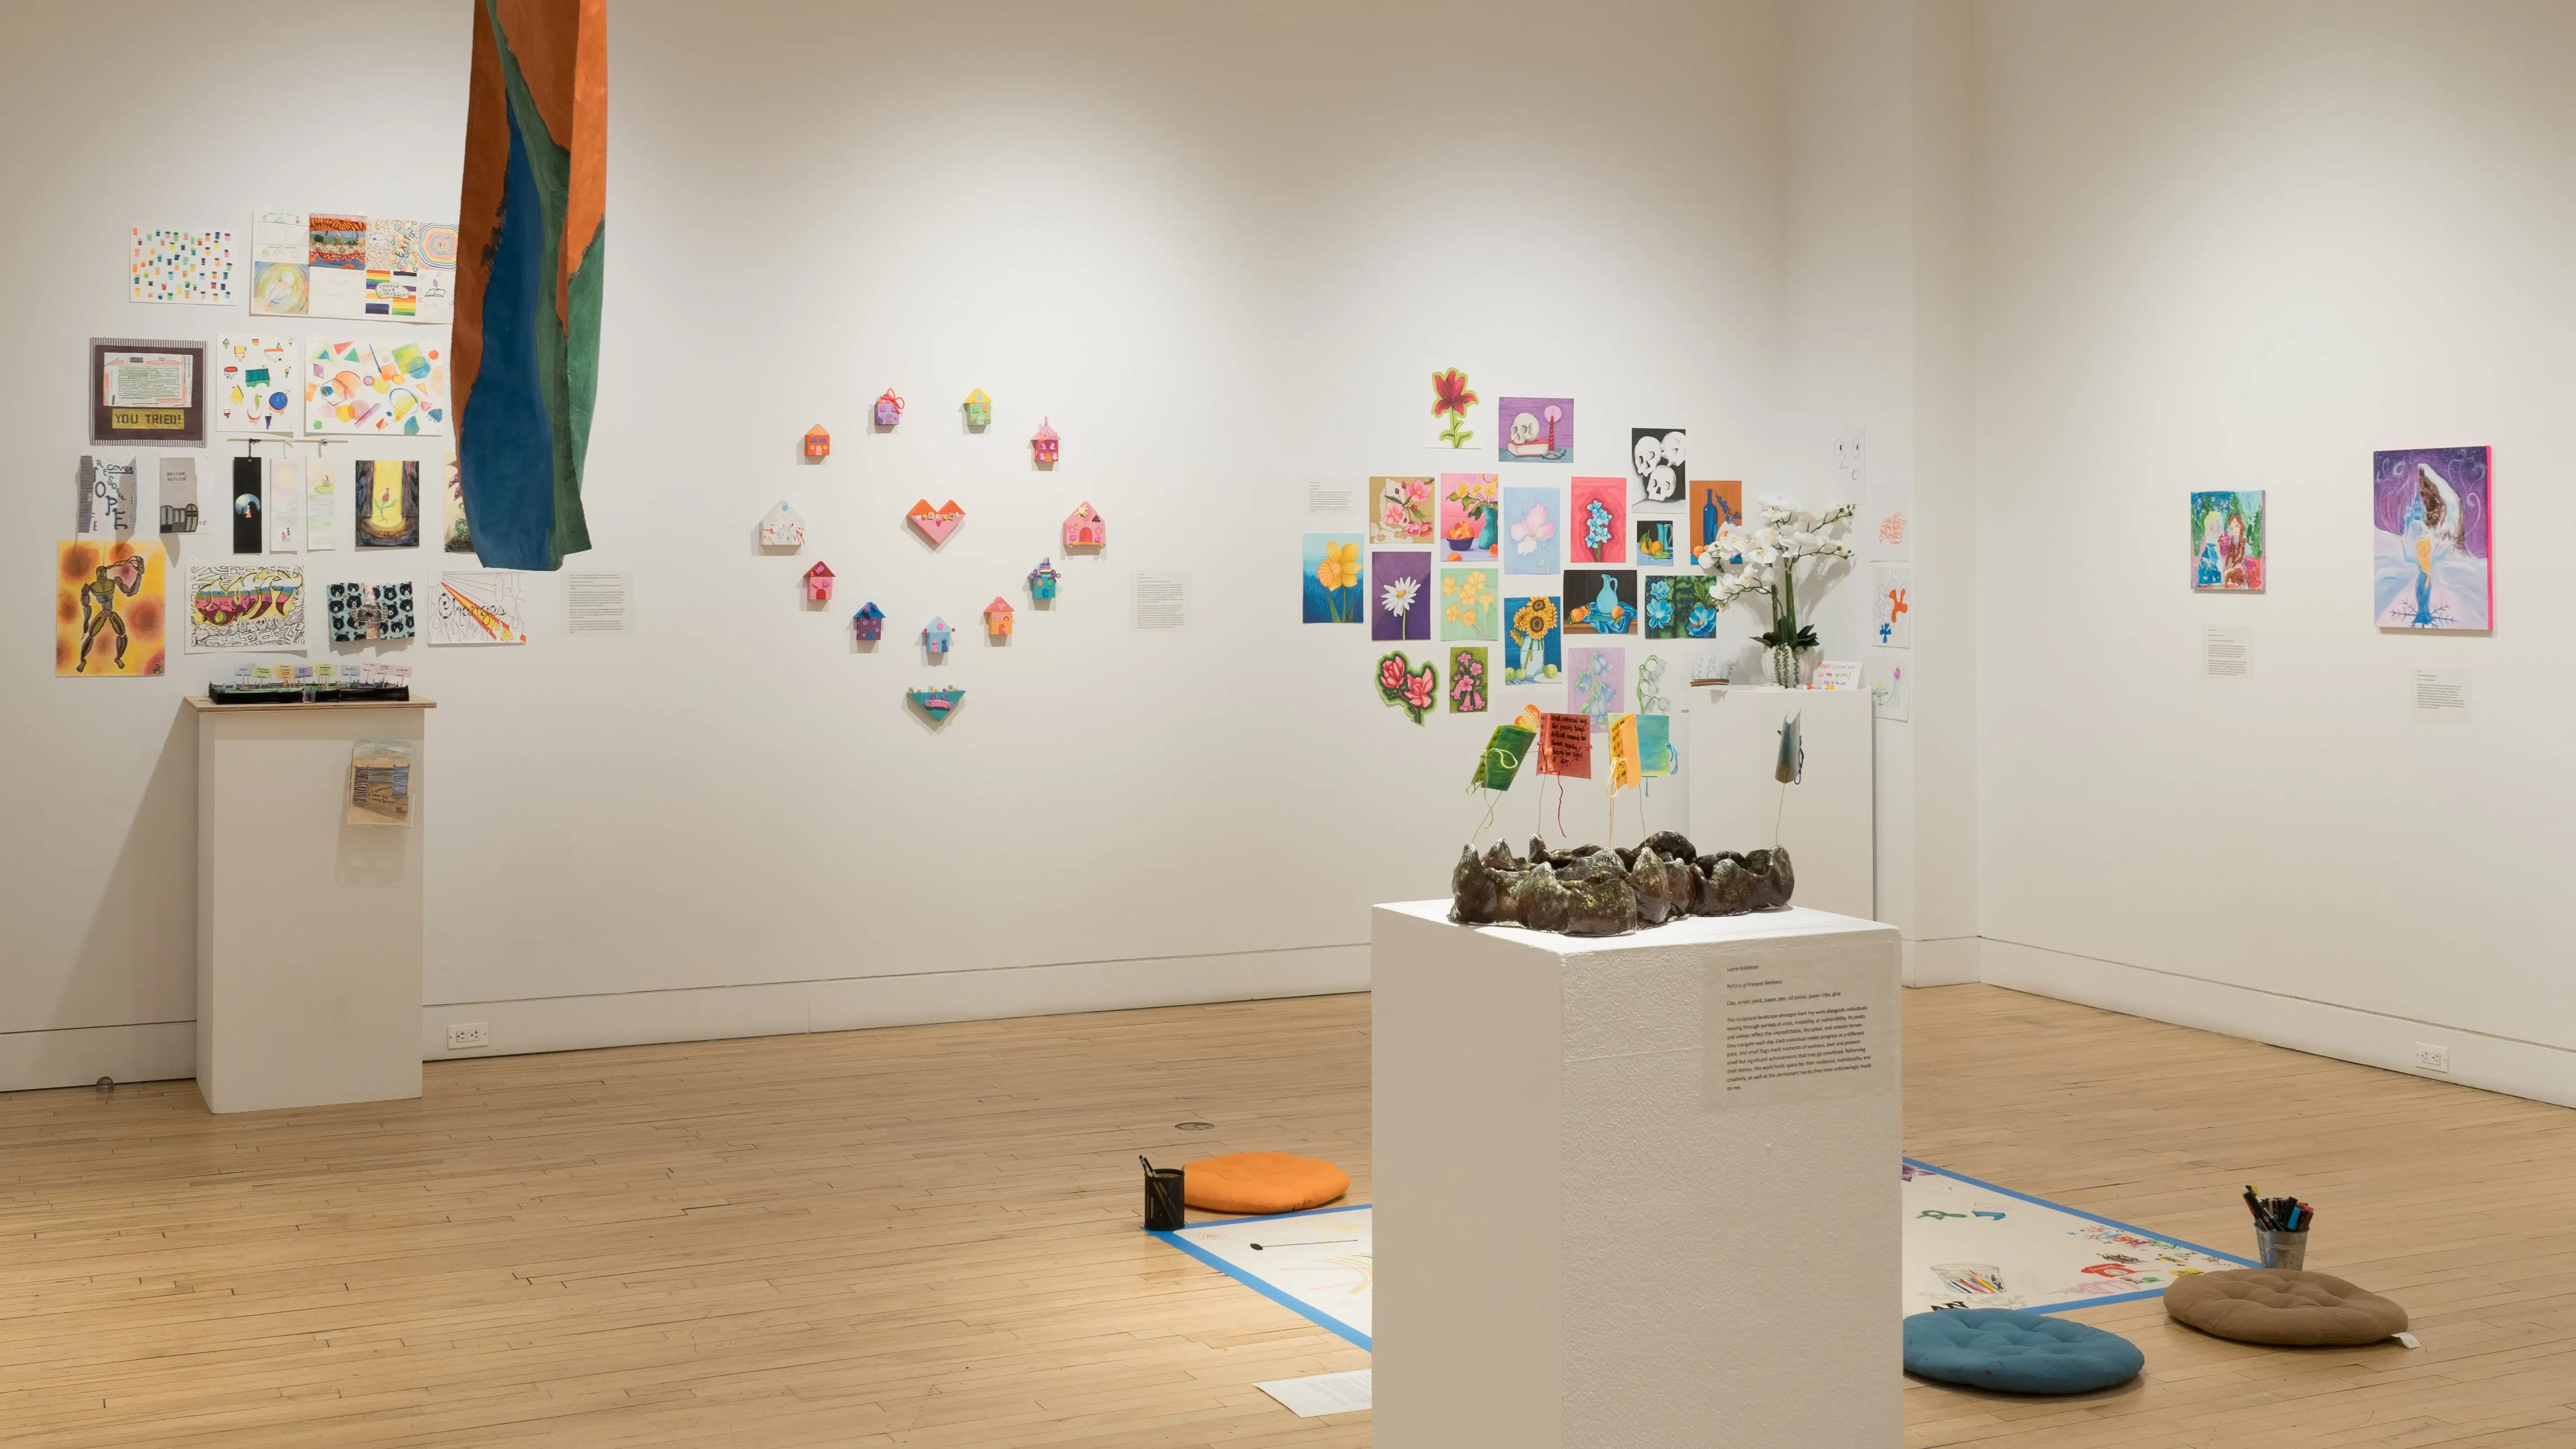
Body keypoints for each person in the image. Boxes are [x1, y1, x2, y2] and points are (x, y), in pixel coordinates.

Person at [76, 553, 147, 673]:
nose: (101, 573)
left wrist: (139, 576)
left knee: (122, 634)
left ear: (106, 572)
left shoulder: (113, 582)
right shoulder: (92, 587)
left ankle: (118, 658)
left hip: (111, 612)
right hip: (103, 613)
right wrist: (86, 617)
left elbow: (129, 593)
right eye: (99, 571)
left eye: (102, 571)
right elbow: (86, 605)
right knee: (91, 635)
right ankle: (83, 660)